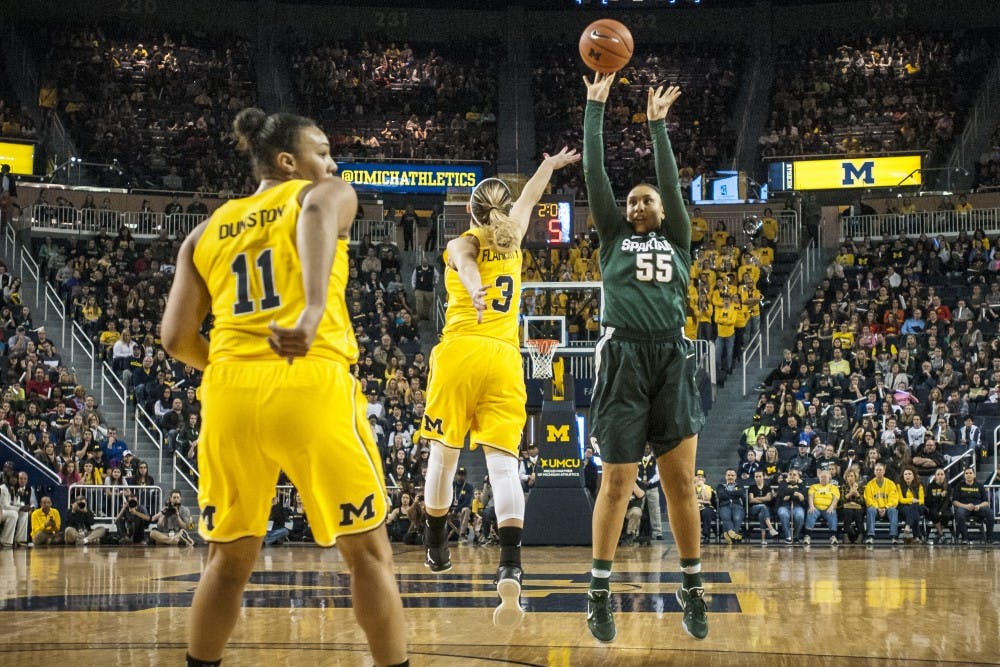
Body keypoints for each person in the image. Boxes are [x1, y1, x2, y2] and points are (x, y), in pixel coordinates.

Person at [161, 107, 409, 667]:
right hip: (309, 380)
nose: (332, 162)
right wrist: (313, 310)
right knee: (368, 555)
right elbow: (319, 209)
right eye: (321, 151)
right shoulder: (321, 192)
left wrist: (230, 365)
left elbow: (175, 337)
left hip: (227, 396)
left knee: (226, 561)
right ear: (287, 161)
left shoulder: (204, 231)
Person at [418, 146, 579, 628]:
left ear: (469, 210)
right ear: (503, 210)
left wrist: (472, 288)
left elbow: (465, 263)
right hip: (506, 359)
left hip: (461, 352)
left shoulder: (461, 241)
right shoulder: (514, 239)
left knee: (443, 456)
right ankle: (510, 564)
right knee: (504, 468)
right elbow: (529, 198)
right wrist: (548, 167)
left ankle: (437, 545)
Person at [582, 75, 707, 642]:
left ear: (661, 210)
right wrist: (595, 110)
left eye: (646, 200)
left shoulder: (678, 234)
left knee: (680, 484)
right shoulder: (611, 235)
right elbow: (595, 176)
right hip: (623, 356)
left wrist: (657, 126)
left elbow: (672, 185)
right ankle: (599, 592)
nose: (637, 204)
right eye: (632, 201)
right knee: (616, 481)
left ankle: (692, 584)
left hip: (672, 358)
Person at [952, 466, 995, 545]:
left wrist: (979, 506)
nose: (968, 475)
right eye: (966, 473)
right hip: (964, 507)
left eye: (970, 473)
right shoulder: (959, 485)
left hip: (977, 508)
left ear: (974, 475)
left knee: (990, 513)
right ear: (964, 475)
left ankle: (990, 538)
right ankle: (965, 538)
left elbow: (986, 502)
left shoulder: (979, 485)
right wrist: (965, 506)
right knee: (959, 514)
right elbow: (955, 502)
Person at [863, 462, 900, 544]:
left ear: (884, 471)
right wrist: (877, 508)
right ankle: (870, 536)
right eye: (877, 470)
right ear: (874, 472)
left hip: (887, 509)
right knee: (870, 510)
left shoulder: (891, 484)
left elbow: (894, 499)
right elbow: (868, 500)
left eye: (880, 470)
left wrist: (885, 507)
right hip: (876, 509)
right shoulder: (869, 484)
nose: (878, 471)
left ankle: (894, 537)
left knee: (893, 511)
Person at [804, 468, 840, 545]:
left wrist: (832, 507)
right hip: (816, 507)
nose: (823, 478)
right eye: (822, 477)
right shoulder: (814, 486)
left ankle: (833, 536)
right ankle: (807, 536)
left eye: (825, 477)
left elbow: (836, 498)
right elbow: (810, 496)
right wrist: (811, 506)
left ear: (829, 478)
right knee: (811, 512)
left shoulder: (833, 487)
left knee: (832, 512)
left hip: (828, 507)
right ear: (819, 478)